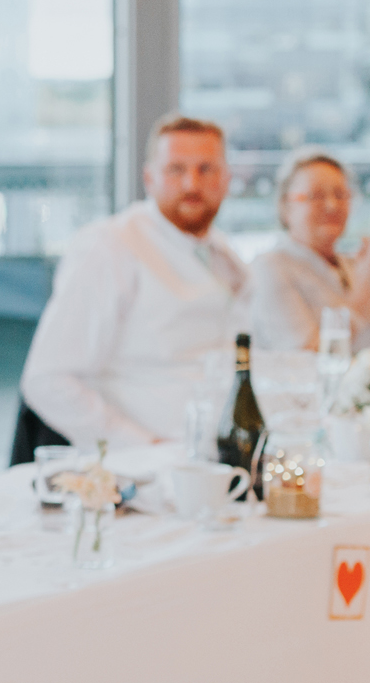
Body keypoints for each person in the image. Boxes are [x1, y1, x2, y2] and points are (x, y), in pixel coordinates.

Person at [16, 114, 248, 459]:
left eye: (206, 169)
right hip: (145, 471)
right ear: (149, 178)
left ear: (227, 179)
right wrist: (143, 449)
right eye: (176, 169)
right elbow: (47, 381)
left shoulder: (224, 255)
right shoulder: (110, 247)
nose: (191, 184)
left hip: (221, 460)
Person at [249, 148, 370, 352]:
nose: (332, 205)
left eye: (341, 195)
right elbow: (306, 355)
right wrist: (366, 290)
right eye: (316, 195)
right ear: (286, 207)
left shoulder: (355, 265)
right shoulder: (271, 267)